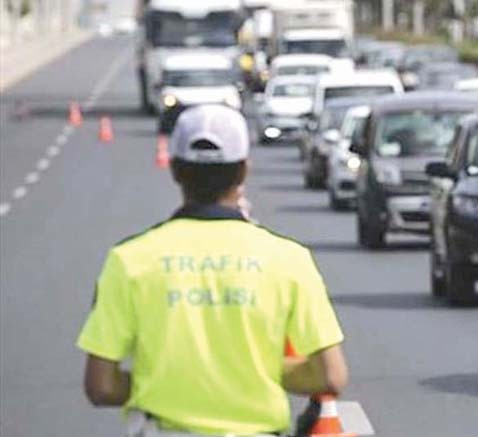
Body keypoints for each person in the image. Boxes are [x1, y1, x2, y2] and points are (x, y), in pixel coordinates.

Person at [76, 104, 348, 436]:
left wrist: (166, 380)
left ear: (175, 170)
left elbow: (100, 386)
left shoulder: (130, 260)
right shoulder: (289, 259)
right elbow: (331, 376)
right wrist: (250, 370)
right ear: (244, 171)